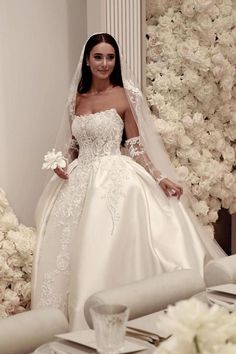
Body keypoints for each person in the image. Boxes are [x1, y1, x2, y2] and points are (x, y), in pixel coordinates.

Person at [31, 33, 225, 329]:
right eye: (98, 57)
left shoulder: (124, 96)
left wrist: (159, 177)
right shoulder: (76, 100)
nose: (105, 63)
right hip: (79, 181)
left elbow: (134, 145)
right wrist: (62, 165)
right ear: (87, 60)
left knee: (109, 245)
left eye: (110, 57)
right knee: (71, 254)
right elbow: (74, 146)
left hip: (115, 180)